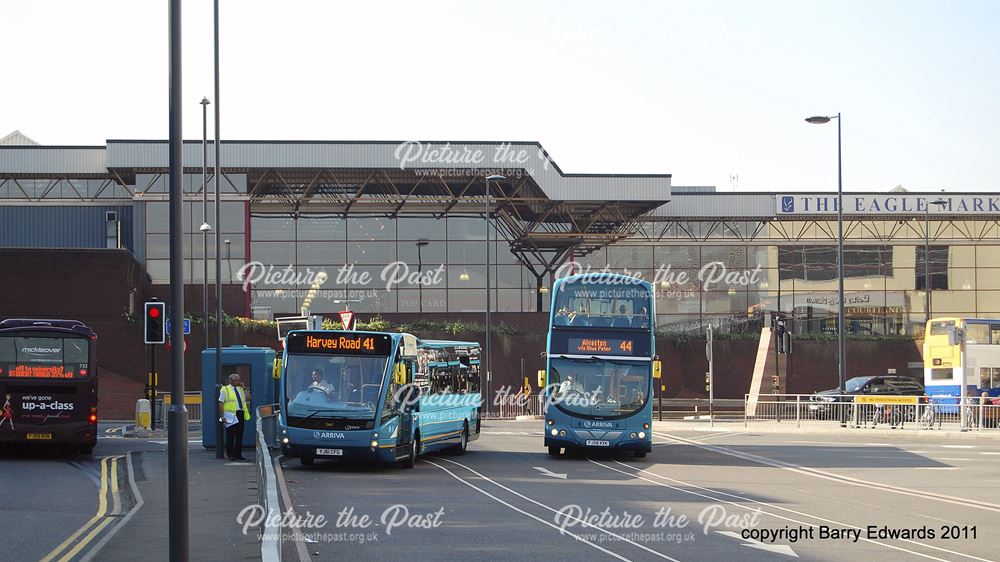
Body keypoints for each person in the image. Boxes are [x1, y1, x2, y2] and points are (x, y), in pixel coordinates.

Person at [219, 373, 251, 461]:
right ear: (230, 380)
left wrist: (244, 388)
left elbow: (248, 398)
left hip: (240, 413)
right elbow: (221, 403)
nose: (237, 382)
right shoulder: (225, 389)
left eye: (238, 380)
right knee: (230, 435)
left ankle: (238, 454)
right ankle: (231, 454)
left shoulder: (240, 389)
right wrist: (222, 416)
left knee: (239, 435)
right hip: (230, 414)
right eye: (235, 380)